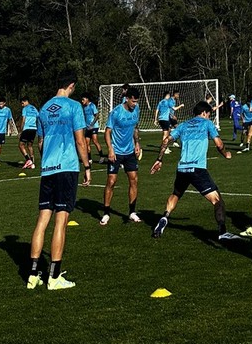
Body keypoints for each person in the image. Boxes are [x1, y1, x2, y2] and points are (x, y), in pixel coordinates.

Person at [26, 73, 91, 290]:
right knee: (61, 221)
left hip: (48, 170)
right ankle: (53, 277)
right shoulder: (73, 107)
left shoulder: (43, 109)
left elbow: (41, 144)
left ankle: (33, 275)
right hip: (67, 168)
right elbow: (80, 141)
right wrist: (87, 166)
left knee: (42, 219)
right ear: (71, 86)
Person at [150, 102, 240, 241]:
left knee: (176, 194)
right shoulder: (207, 123)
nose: (209, 117)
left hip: (182, 169)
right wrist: (225, 153)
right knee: (218, 201)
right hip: (197, 169)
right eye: (209, 114)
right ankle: (222, 232)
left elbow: (166, 140)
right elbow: (219, 144)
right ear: (204, 113)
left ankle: (164, 217)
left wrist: (159, 159)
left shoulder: (183, 125)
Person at [102, 86, 143, 225]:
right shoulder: (116, 112)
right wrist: (110, 149)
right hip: (116, 152)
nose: (135, 104)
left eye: (137, 102)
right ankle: (106, 213)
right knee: (111, 181)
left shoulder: (136, 110)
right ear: (127, 99)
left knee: (134, 180)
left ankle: (132, 212)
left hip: (130, 151)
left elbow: (135, 128)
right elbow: (107, 132)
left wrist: (137, 143)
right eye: (133, 101)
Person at [80, 93, 105, 161]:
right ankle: (89, 159)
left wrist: (92, 124)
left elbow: (97, 115)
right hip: (88, 127)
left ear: (87, 99)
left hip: (94, 126)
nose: (82, 101)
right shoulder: (84, 107)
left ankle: (102, 156)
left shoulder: (92, 105)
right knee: (87, 143)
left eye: (83, 99)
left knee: (95, 140)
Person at [18, 96, 39, 169]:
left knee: (21, 145)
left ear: (25, 101)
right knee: (30, 146)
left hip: (27, 128)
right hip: (34, 129)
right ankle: (32, 163)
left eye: (22, 103)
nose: (22, 105)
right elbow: (38, 118)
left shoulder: (25, 109)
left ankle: (28, 160)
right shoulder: (34, 108)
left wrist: (20, 131)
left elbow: (23, 120)